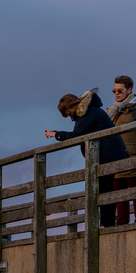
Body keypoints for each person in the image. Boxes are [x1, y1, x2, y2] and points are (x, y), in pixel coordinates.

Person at [45, 89, 127, 226]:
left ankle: (107, 224)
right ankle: (107, 223)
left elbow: (76, 135)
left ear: (72, 107)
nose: (70, 117)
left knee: (105, 190)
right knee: (105, 189)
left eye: (68, 114)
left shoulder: (88, 113)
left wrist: (56, 135)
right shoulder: (88, 111)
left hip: (108, 155)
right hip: (108, 154)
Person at [107, 75, 136, 225]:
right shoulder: (113, 112)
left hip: (132, 160)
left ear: (129, 89)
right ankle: (121, 225)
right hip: (116, 161)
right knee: (119, 196)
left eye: (120, 90)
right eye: (114, 91)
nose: (117, 93)